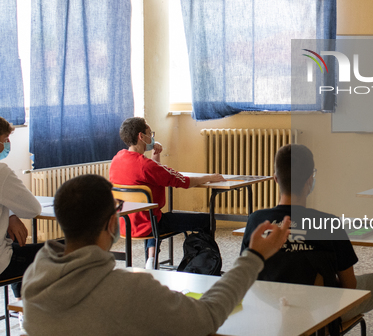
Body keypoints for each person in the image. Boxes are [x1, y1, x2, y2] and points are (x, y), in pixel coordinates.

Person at [21, 174, 290, 335]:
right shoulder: (129, 289)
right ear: (111, 223)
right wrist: (253, 256)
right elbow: (206, 318)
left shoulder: (36, 276)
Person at [241, 144, 373, 336]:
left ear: (275, 178)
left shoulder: (257, 221)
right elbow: (349, 286)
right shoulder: (328, 222)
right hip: (323, 312)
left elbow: (246, 274)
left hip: (270, 312)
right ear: (310, 180)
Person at [110, 117, 225, 269]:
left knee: (151, 213)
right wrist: (211, 177)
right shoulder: (146, 165)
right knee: (206, 220)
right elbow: (182, 181)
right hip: (151, 224)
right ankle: (203, 265)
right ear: (141, 136)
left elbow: (153, 175)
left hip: (126, 224)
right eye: (150, 134)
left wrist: (155, 153)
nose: (152, 137)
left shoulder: (117, 159)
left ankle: (151, 258)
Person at [0, 117, 43, 299]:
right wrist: (12, 214)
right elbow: (33, 209)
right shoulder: (2, 172)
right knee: (65, 251)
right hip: (2, 264)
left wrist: (10, 215)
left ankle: (19, 302)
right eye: (5, 140)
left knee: (16, 240)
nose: (7, 145)